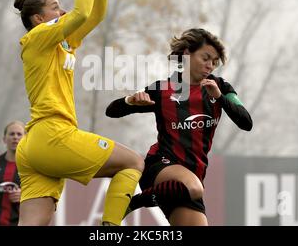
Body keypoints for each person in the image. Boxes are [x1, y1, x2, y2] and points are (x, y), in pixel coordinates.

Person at [13, 0, 144, 226]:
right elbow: (80, 13)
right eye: (55, 7)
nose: (61, 11)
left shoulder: (60, 41)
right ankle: (109, 229)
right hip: (52, 136)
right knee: (133, 162)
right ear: (38, 18)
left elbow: (93, 16)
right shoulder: (38, 37)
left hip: (35, 145)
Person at [106, 28, 253, 226]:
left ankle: (141, 201)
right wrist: (131, 100)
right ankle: (135, 202)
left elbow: (246, 122)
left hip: (190, 180)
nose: (210, 65)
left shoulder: (221, 87)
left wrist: (219, 97)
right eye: (206, 58)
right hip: (161, 167)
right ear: (186, 54)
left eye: (214, 61)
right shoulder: (163, 89)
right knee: (194, 187)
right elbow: (112, 110)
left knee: (193, 188)